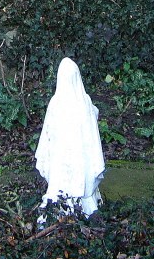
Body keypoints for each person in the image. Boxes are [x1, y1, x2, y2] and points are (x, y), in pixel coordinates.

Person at [35, 57, 105, 216]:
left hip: (66, 157)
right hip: (74, 157)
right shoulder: (84, 102)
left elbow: (48, 131)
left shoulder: (57, 102)